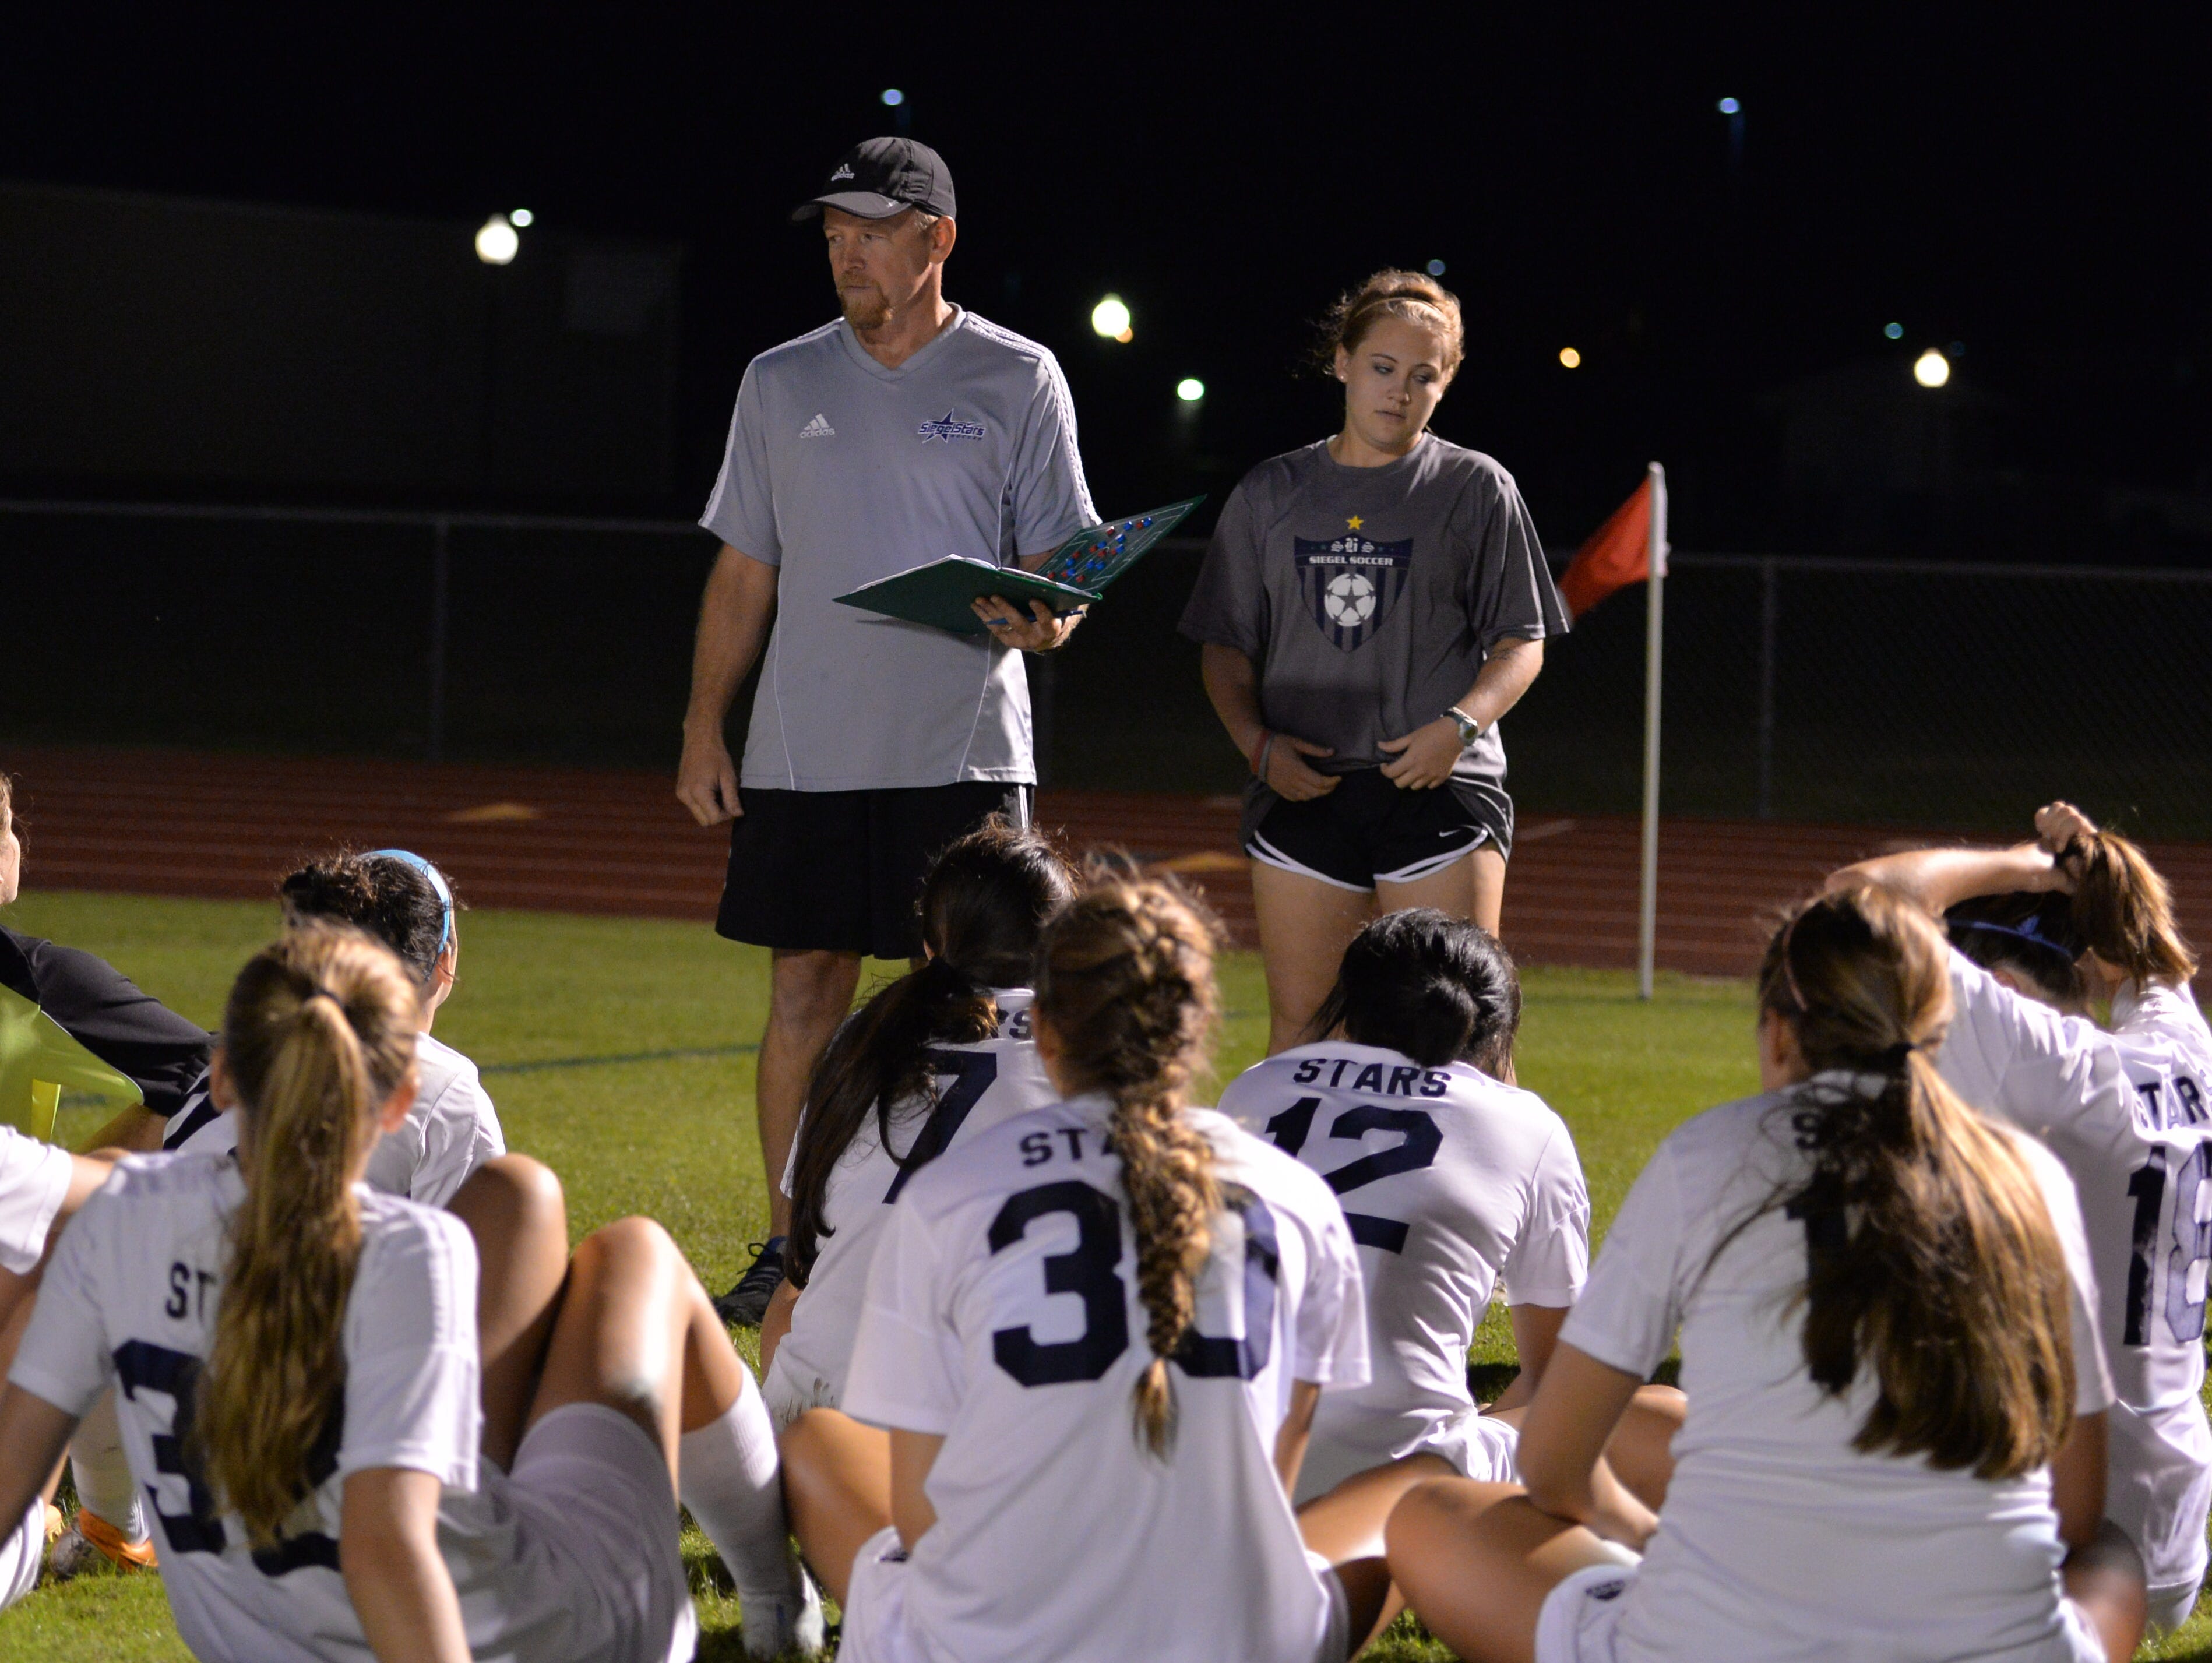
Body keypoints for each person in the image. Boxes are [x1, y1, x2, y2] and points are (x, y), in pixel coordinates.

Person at [0, 923, 818, 1661]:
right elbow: (388, 1545)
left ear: (217, 1078)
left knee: (529, 1216)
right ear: (396, 1101)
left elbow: (11, 1478)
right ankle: (776, 1598)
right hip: (554, 1632)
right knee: (635, 1254)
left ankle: (776, 1601)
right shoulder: (406, 1248)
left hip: (313, 1625)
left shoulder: (115, 1223)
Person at [1384, 884, 2147, 1663]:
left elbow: (1551, 1467)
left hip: (1708, 1643)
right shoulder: (2030, 1178)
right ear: (1939, 1029)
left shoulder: (1707, 1153)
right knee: (2114, 1556)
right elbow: (2077, 1507)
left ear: (1781, 1034)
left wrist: (1648, 1539)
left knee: (1426, 1514)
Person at [675, 136, 1098, 1323]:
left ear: (935, 241)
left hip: (960, 752)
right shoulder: (778, 379)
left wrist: (1047, 615)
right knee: (803, 990)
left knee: (962, 999)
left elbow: (1058, 565)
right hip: (805, 752)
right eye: (831, 232)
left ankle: (940, 1240)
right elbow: (743, 571)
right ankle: (787, 1239)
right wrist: (705, 726)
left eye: (867, 229)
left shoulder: (1019, 377)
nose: (843, 249)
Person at [779, 879, 1382, 1661]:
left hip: (993, 1640)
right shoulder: (1298, 1194)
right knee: (1407, 1492)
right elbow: (1276, 1465)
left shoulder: (952, 1196)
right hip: (1230, 1633)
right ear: (1194, 1032)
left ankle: (774, 1608)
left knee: (818, 1437)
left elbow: (921, 1517)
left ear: (1049, 1036)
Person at [1831, 802, 2212, 1633]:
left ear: (2002, 985)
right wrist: (2101, 865)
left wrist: (2024, 865)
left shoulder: (2051, 1060)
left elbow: (1859, 896)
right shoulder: (2185, 1046)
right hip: (2170, 1548)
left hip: (2065, 1547)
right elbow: (2150, 954)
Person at [1179, 269, 1568, 1055]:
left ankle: (1508, 1186)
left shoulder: (1477, 487)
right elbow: (1224, 645)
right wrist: (1257, 745)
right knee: (1308, 1034)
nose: (1400, 391)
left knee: (1465, 1036)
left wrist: (1459, 727)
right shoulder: (1271, 491)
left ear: (1447, 381)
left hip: (1438, 789)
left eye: (1425, 375)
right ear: (1343, 362)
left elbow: (1521, 640)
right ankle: (1290, 1186)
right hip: (1305, 791)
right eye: (1384, 367)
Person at [1219, 912, 1681, 1523]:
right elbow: (1555, 1382)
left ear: (1351, 1007)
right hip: (1396, 1486)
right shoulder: (1526, 1124)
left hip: (1220, 1461)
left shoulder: (1256, 1087)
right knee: (1663, 1418)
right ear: (1492, 1027)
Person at [759, 819, 1073, 1426]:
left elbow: (801, 1269)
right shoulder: (1080, 1044)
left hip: (815, 1421)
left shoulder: (865, 1033)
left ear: (930, 943)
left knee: (797, 1290)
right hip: (965, 1423)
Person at [163, 848, 505, 1206]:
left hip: (166, 1252)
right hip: (289, 1257)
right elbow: (476, 1252)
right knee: (526, 1189)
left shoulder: (254, 1035)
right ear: (445, 961)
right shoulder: (446, 1088)